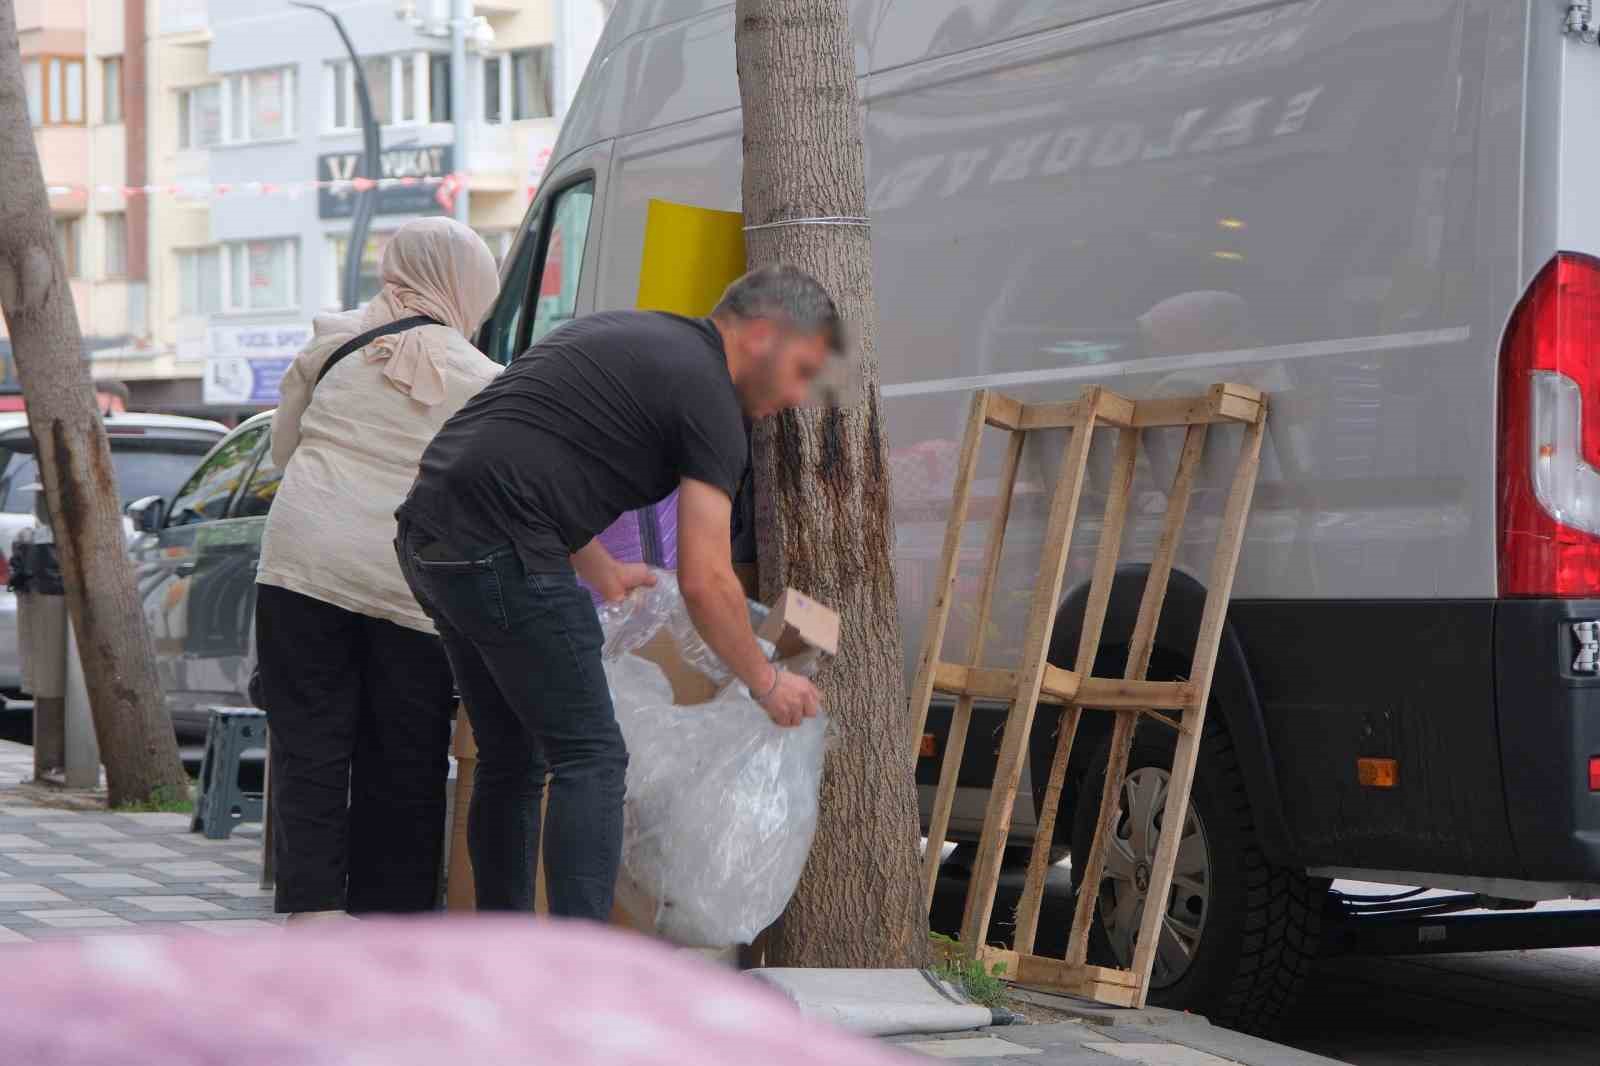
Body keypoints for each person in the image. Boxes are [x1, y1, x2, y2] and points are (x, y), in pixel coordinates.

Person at [395, 264, 833, 920]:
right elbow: (707, 579)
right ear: (763, 334)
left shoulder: (636, 335)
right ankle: (586, 978)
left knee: (514, 756)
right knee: (593, 756)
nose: (801, 395)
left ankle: (500, 954)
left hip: (430, 538)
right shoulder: (712, 397)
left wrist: (598, 566)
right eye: (802, 368)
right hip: (499, 546)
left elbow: (526, 454)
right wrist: (767, 684)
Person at [254, 218, 502, 919]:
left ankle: (312, 914)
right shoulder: (486, 381)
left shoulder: (334, 338)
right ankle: (390, 923)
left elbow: (284, 449)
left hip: (302, 566)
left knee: (310, 744)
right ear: (470, 285)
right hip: (407, 584)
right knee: (407, 757)